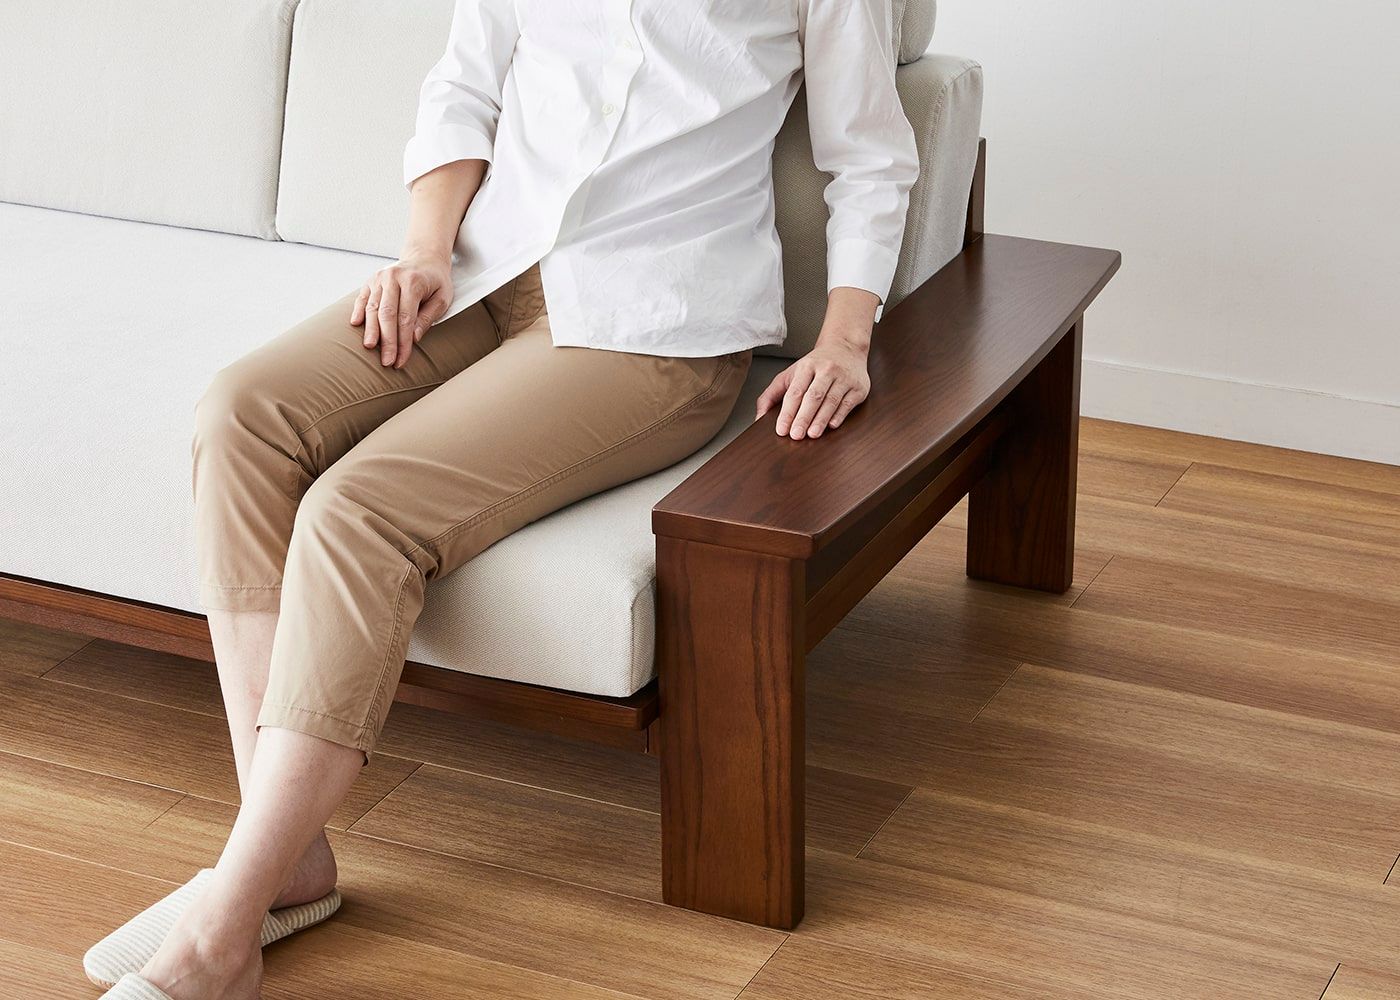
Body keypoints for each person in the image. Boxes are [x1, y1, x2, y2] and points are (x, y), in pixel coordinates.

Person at [88, 1, 917, 996]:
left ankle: (222, 932)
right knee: (242, 416)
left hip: (651, 324)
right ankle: (286, 861)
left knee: (357, 512)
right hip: (487, 273)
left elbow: (871, 158)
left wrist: (843, 341)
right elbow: (464, 86)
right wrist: (424, 250)